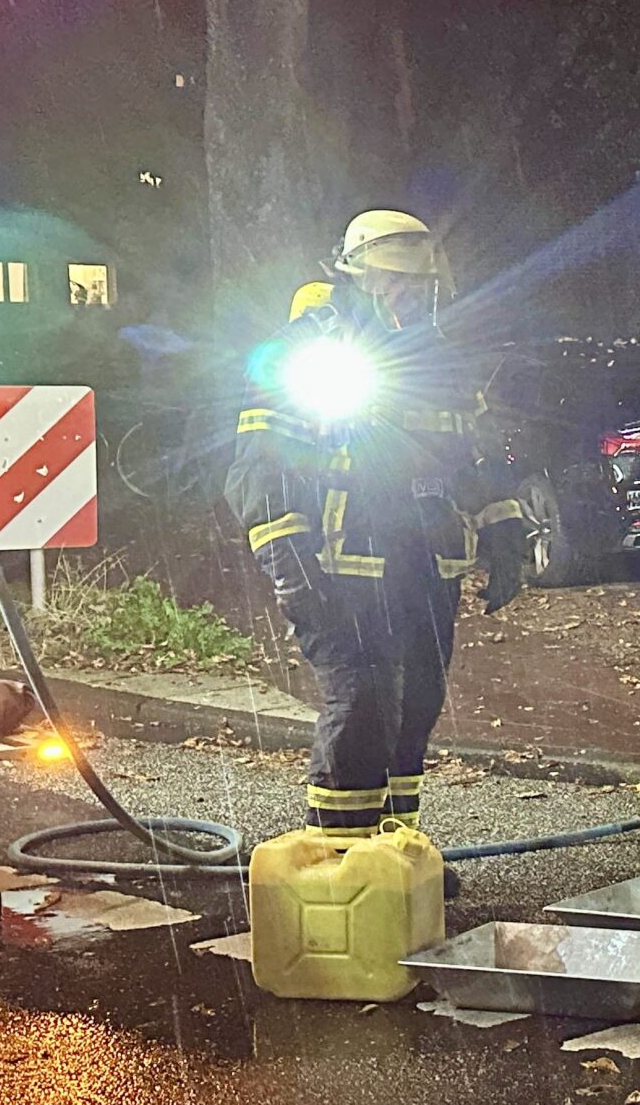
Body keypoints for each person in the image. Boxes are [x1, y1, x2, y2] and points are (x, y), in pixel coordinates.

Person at [227, 209, 529, 846]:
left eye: (418, 284)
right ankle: (340, 858)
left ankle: (395, 854)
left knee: (417, 704)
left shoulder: (439, 358)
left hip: (423, 565)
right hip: (337, 566)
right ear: (357, 276)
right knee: (362, 701)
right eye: (393, 281)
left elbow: (474, 455)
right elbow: (259, 464)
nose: (407, 295)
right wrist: (287, 554)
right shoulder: (307, 351)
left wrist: (503, 526)